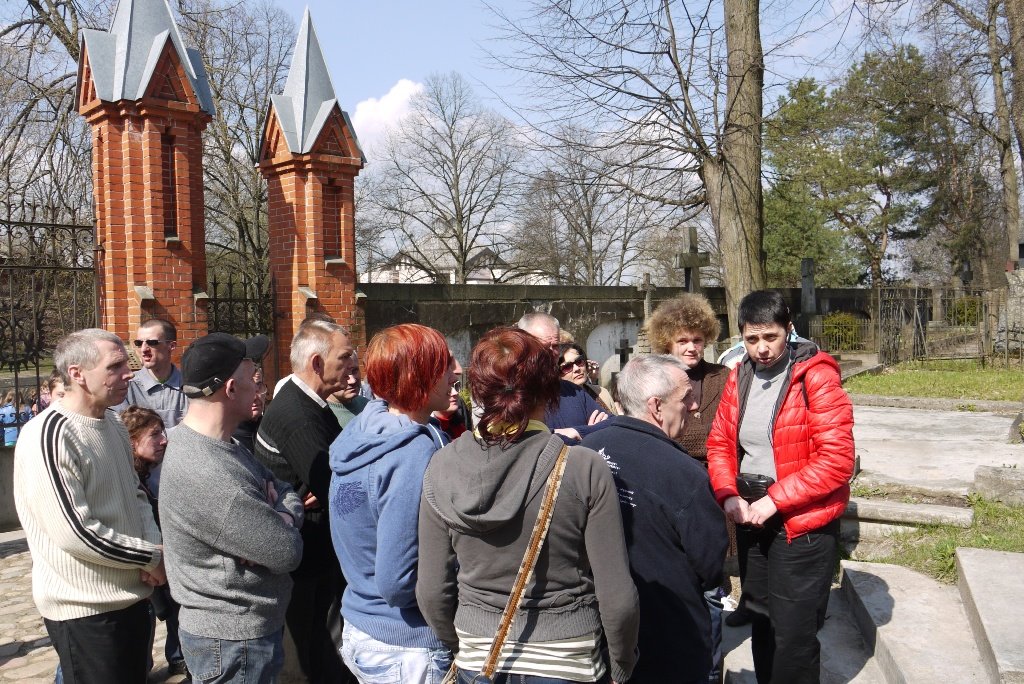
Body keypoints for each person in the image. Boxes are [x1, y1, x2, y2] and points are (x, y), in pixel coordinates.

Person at [417, 327, 639, 684]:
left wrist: (462, 645)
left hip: (479, 659)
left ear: (478, 390)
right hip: (568, 660)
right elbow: (617, 596)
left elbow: (431, 591)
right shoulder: (583, 468)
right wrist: (621, 664)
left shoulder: (441, 465)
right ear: (549, 390)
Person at [707, 290, 855, 684]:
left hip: (801, 526)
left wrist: (776, 500)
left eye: (771, 337)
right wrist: (728, 494)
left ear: (788, 330)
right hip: (753, 519)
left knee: (793, 634)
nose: (762, 348)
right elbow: (720, 444)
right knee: (761, 619)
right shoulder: (740, 376)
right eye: (751, 339)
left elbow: (837, 460)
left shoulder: (816, 376)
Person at [14, 328, 164, 684]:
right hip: (87, 611)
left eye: (125, 364)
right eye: (114, 367)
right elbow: (75, 533)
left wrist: (153, 548)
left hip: (131, 599)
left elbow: (135, 494)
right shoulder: (49, 435)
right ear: (77, 374)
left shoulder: (113, 423)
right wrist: (151, 558)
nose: (128, 374)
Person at [160, 332, 303, 684]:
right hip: (235, 643)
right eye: (253, 376)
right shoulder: (210, 472)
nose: (259, 387)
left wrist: (281, 515)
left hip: (236, 636)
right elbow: (286, 551)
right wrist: (279, 521)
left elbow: (284, 489)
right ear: (231, 388)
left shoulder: (221, 445)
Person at [582, 355, 727, 683]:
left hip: (599, 634)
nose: (694, 407)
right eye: (686, 397)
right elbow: (710, 565)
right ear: (656, 406)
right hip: (668, 639)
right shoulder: (686, 474)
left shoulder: (588, 449)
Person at [329, 324, 456, 682]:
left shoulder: (364, 429)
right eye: (443, 365)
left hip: (363, 624)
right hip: (404, 645)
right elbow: (397, 582)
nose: (455, 372)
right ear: (418, 376)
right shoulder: (410, 454)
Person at [254, 319, 357, 683]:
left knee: (322, 649)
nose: (352, 365)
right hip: (301, 559)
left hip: (314, 553)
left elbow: (342, 465)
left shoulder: (312, 404)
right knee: (301, 662)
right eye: (344, 357)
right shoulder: (298, 415)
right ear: (317, 363)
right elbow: (336, 487)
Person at [120, 406, 189, 679]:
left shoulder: (144, 475)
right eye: (155, 434)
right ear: (132, 441)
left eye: (163, 432)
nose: (164, 440)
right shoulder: (127, 478)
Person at [516, 313, 609, 442]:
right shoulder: (510, 394)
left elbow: (612, 423)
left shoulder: (573, 391)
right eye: (543, 346)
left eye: (555, 346)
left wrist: (578, 431)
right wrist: (556, 433)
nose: (551, 353)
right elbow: (511, 437)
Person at [558, 342, 616, 413]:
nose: (576, 369)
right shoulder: (555, 406)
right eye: (567, 367)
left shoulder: (602, 393)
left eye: (579, 361)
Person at [429, 358, 471, 440]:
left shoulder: (460, 424)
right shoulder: (426, 430)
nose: (455, 393)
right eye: (449, 388)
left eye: (457, 386)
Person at [326, 350, 369, 429]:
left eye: (354, 371)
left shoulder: (368, 406)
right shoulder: (320, 415)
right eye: (344, 373)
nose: (353, 381)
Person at [233, 367, 268, 454]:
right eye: (247, 389)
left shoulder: (272, 429)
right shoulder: (228, 438)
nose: (255, 397)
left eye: (259, 387)